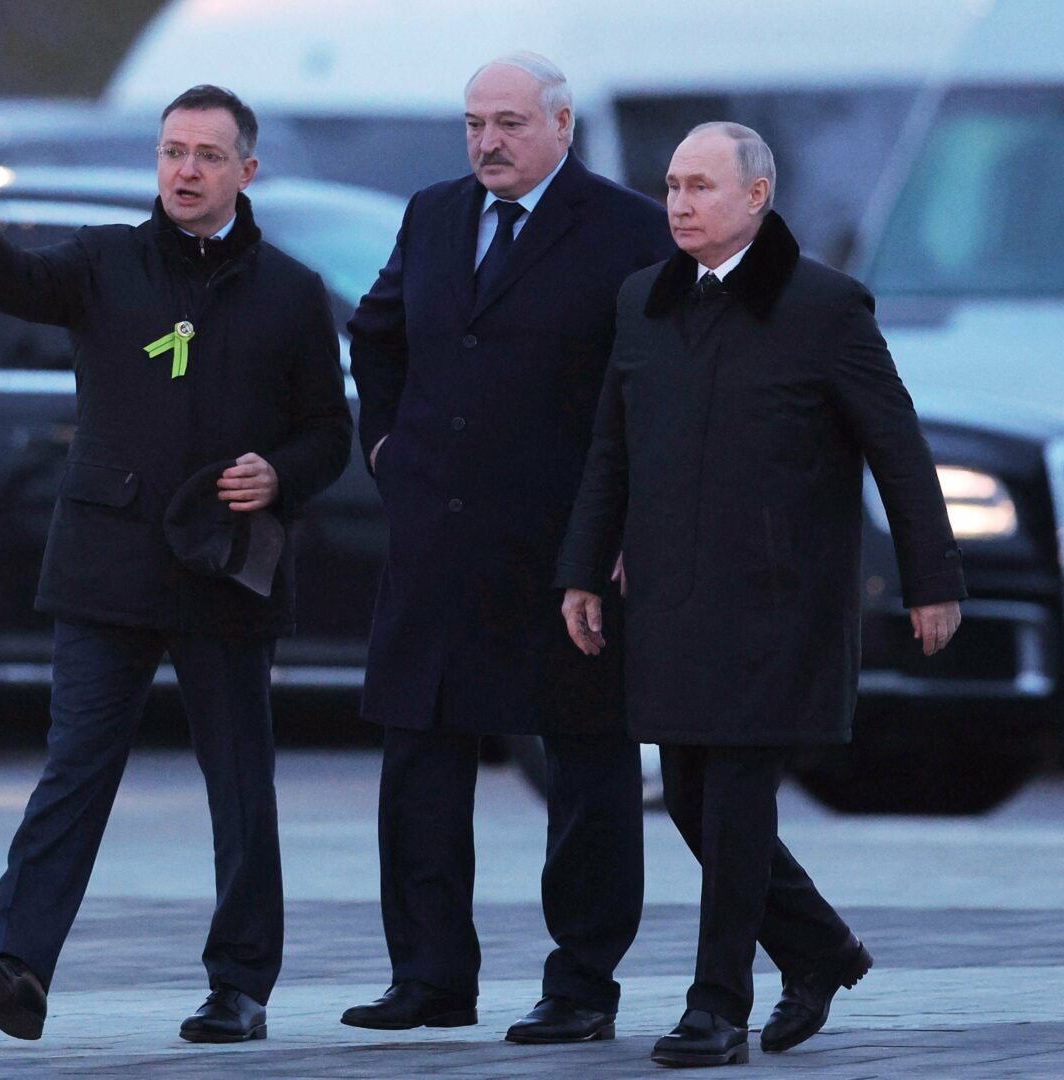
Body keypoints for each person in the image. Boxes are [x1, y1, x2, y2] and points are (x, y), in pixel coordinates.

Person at [0, 84, 350, 1044]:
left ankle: (240, 986)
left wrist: (279, 475)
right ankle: (19, 965)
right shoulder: (104, 260)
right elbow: (21, 283)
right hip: (109, 561)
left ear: (246, 170)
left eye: (208, 155)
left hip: (226, 565)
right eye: (173, 151)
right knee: (76, 765)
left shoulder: (291, 291)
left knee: (239, 785)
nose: (186, 170)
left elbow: (328, 433)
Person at [556, 122, 965, 1068]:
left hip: (781, 600)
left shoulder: (825, 306)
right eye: (672, 186)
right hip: (672, 595)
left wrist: (932, 579)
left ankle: (717, 1009)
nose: (680, 204)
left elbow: (897, 446)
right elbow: (611, 448)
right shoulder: (644, 301)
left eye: (701, 186)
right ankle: (820, 949)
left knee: (737, 797)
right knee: (693, 802)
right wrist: (583, 568)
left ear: (756, 196)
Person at [343, 53, 674, 1043]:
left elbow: (657, 385)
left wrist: (626, 522)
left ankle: (581, 987)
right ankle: (430, 978)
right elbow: (377, 334)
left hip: (565, 545)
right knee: (419, 756)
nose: (487, 142)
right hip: (437, 540)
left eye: (510, 124)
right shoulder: (434, 214)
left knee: (585, 765)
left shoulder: (628, 229)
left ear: (562, 127)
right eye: (474, 123)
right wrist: (387, 447)